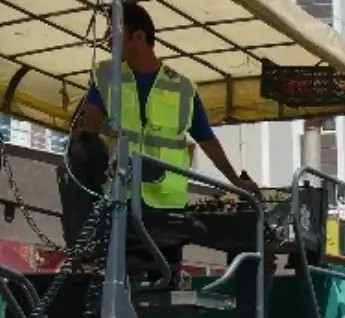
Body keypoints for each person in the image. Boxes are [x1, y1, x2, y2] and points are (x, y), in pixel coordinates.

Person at [67, 2, 256, 235]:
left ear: (138, 37)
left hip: (167, 206)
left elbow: (206, 140)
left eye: (114, 34)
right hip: (120, 200)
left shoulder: (182, 88)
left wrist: (236, 182)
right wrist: (86, 139)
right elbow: (92, 119)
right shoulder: (105, 76)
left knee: (165, 270)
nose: (108, 41)